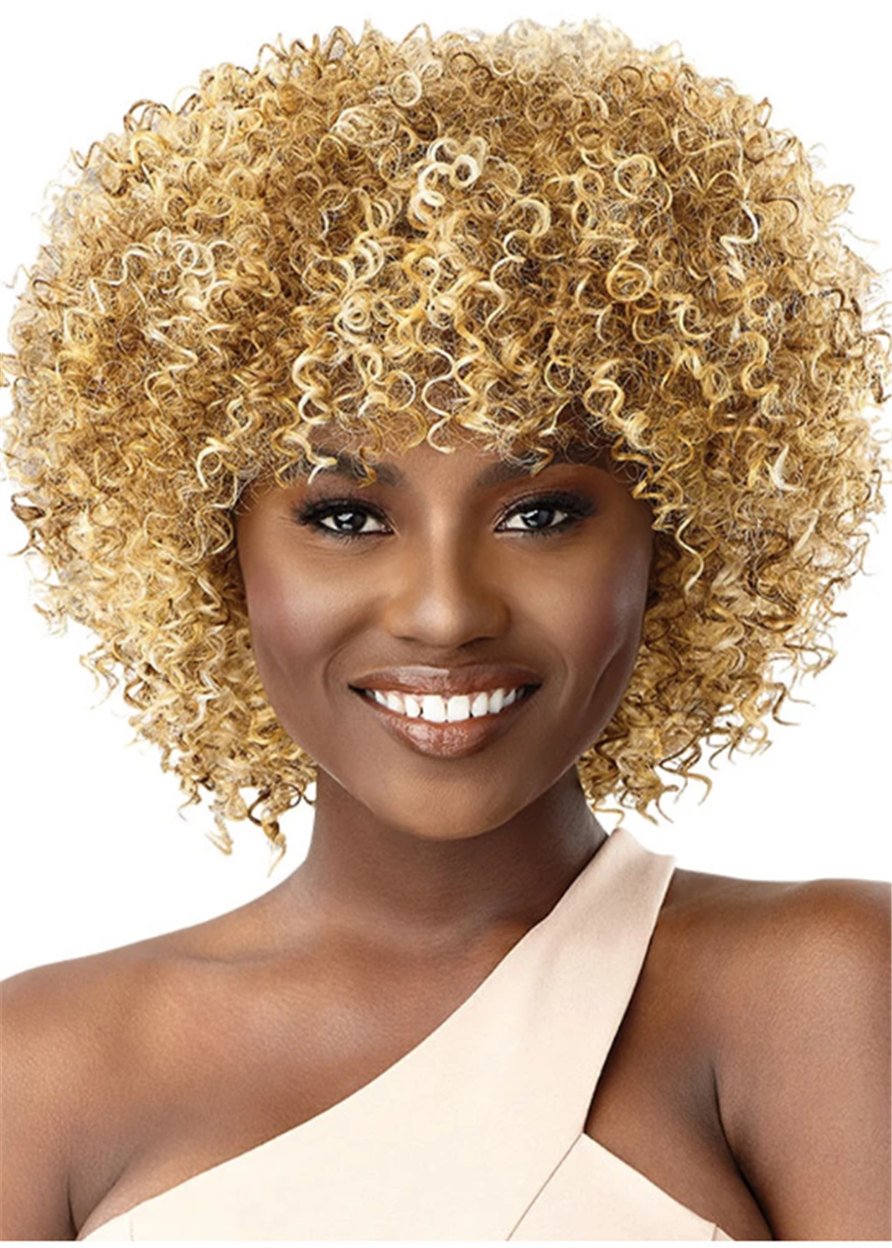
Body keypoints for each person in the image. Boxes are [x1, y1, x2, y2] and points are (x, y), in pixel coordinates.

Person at [1, 17, 889, 1242]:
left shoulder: (821, 988)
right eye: (346, 516)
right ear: (212, 554)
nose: (445, 611)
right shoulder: (40, 1072)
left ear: (676, 540)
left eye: (540, 512)